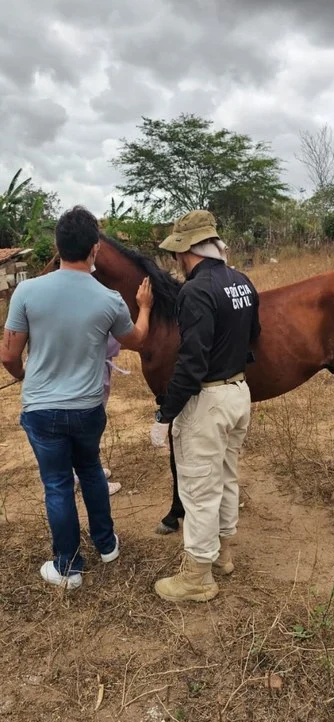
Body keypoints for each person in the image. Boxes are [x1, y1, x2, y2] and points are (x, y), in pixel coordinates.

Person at [0, 206, 153, 590]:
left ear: (57, 245)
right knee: (91, 471)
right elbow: (138, 340)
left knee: (57, 485)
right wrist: (146, 308)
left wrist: (24, 377)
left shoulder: (27, 291)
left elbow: (8, 355)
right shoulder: (109, 299)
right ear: (95, 249)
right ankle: (107, 544)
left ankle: (67, 567)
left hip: (42, 411)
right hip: (87, 409)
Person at [151, 210, 261, 603]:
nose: (176, 261)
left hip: (209, 401)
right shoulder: (242, 281)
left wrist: (165, 415)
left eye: (176, 253)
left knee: (198, 488)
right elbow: (254, 335)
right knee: (226, 477)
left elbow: (191, 363)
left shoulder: (195, 291)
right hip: (239, 393)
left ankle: (197, 576)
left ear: (186, 250)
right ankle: (222, 555)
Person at [73, 333, 125, 496]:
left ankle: (78, 472)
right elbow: (129, 338)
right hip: (91, 373)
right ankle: (90, 477)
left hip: (80, 371)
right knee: (89, 427)